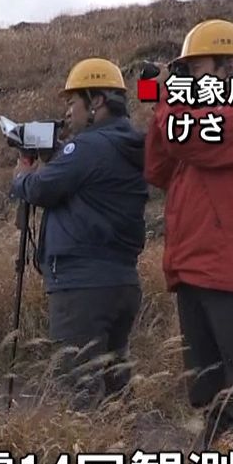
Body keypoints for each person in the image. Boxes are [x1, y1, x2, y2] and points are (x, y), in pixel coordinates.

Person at [144, 19, 233, 449]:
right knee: (210, 392)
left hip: (231, 272)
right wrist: (159, 101)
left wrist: (169, 99)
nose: (187, 77)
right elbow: (157, 167)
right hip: (193, 270)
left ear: (228, 66)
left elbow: (184, 139)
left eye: (195, 66)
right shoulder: (198, 122)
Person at [10, 57, 149, 412]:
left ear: (97, 101)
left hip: (82, 284)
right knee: (116, 392)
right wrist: (60, 155)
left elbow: (42, 189)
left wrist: (23, 173)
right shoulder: (128, 143)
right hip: (121, 280)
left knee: (77, 390)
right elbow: (87, 181)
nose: (67, 113)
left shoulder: (87, 148)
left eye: (73, 102)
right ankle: (123, 459)